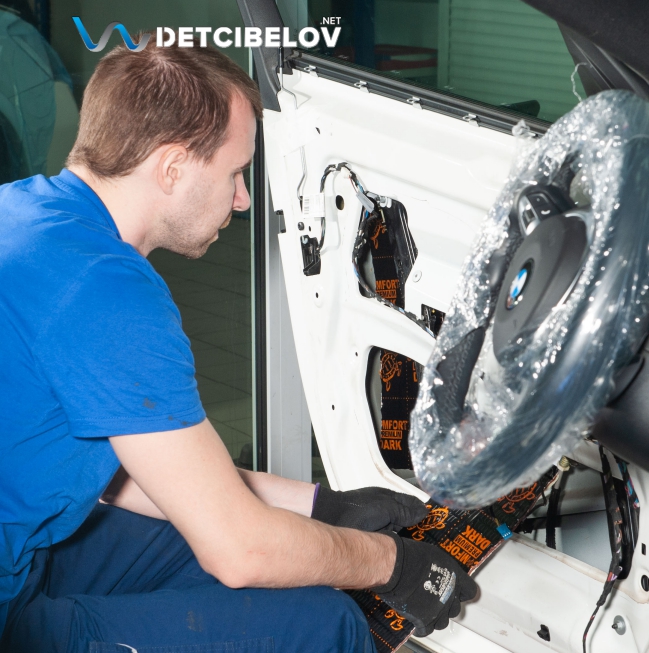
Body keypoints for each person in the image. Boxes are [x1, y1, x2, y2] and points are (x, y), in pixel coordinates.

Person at [0, 41, 477, 653]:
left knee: (284, 568)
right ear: (173, 167)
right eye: (234, 172)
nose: (243, 198)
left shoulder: (23, 212)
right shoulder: (105, 292)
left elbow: (124, 464)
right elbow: (239, 550)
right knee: (324, 624)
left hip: (25, 547)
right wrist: (396, 566)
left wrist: (321, 507)